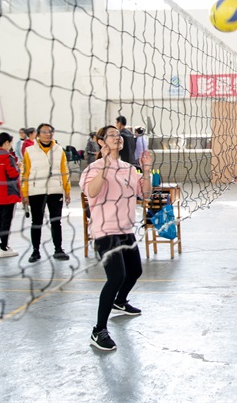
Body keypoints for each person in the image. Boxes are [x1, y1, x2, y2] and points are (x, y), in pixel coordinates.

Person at [80, 125, 153, 351]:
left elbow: (146, 194)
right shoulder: (93, 168)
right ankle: (98, 330)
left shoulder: (129, 169)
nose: (117, 137)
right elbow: (92, 192)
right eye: (111, 135)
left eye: (118, 134)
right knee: (116, 277)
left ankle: (119, 302)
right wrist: (104, 165)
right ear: (101, 142)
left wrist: (146, 170)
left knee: (135, 271)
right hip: (105, 230)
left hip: (126, 229)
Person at [22, 123, 71, 262]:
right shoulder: (29, 151)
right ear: (38, 134)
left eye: (50, 132)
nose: (47, 134)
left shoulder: (59, 150)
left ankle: (58, 250)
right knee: (36, 222)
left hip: (55, 190)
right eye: (44, 131)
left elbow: (64, 171)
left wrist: (67, 190)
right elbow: (25, 172)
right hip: (36, 191)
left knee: (56, 221)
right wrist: (24, 193)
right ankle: (35, 251)